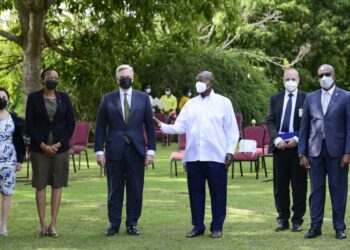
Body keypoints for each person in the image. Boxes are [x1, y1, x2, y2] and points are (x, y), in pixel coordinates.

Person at [154, 71, 239, 238]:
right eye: (197, 80)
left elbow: (232, 131)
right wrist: (162, 125)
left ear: (210, 82)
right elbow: (180, 127)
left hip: (216, 156)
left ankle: (217, 227)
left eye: (201, 80)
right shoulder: (191, 104)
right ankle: (198, 225)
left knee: (218, 192)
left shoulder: (223, 102)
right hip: (193, 157)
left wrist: (230, 152)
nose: (198, 83)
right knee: (195, 192)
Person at [94, 64, 156, 237]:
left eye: (128, 76)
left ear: (133, 77)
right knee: (114, 189)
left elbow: (150, 127)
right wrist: (99, 151)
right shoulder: (107, 98)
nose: (125, 79)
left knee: (136, 189)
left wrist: (151, 151)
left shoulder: (143, 98)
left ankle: (132, 223)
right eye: (122, 77)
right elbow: (100, 127)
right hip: (114, 151)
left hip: (137, 151)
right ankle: (114, 224)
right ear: (117, 79)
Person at [299, 64, 350, 240]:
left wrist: (348, 152)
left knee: (338, 190)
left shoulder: (346, 97)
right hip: (315, 152)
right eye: (320, 75)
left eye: (327, 74)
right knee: (316, 191)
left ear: (334, 76)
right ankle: (315, 227)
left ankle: (339, 227)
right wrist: (302, 153)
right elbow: (304, 127)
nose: (323, 78)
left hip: (338, 153)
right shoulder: (310, 98)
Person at [26, 68, 76, 238]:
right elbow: (30, 124)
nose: (53, 80)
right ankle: (41, 225)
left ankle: (53, 224)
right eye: (49, 77)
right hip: (39, 149)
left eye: (56, 77)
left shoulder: (64, 98)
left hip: (60, 149)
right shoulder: (33, 98)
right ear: (43, 80)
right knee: (40, 185)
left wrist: (59, 143)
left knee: (57, 185)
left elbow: (70, 123)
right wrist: (42, 145)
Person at [266, 68, 307, 233]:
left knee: (299, 185)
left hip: (298, 148)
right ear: (283, 80)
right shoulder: (275, 98)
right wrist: (277, 140)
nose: (290, 82)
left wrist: (296, 139)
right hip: (279, 147)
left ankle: (297, 220)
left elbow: (308, 122)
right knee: (280, 186)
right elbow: (270, 121)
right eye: (287, 79)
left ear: (298, 80)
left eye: (293, 79)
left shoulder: (307, 98)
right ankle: (283, 219)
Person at [0, 87, 25, 237]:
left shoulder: (13, 117)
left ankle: (3, 226)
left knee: (7, 193)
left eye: (4, 97)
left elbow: (19, 140)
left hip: (9, 160)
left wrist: (20, 160)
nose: (1, 99)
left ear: (8, 99)